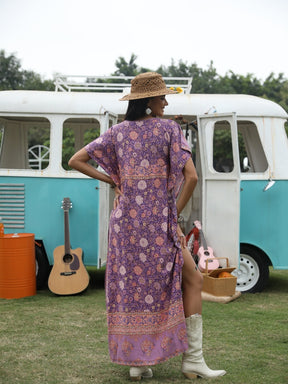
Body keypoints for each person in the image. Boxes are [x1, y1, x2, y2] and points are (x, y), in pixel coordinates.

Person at [68, 72, 226, 381]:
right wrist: (171, 214)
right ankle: (193, 359)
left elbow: (76, 160)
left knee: (136, 290)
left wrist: (114, 181)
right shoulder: (168, 128)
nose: (166, 101)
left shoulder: (117, 132)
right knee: (192, 281)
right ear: (149, 101)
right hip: (157, 225)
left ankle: (138, 362)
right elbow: (191, 178)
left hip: (126, 227)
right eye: (162, 96)